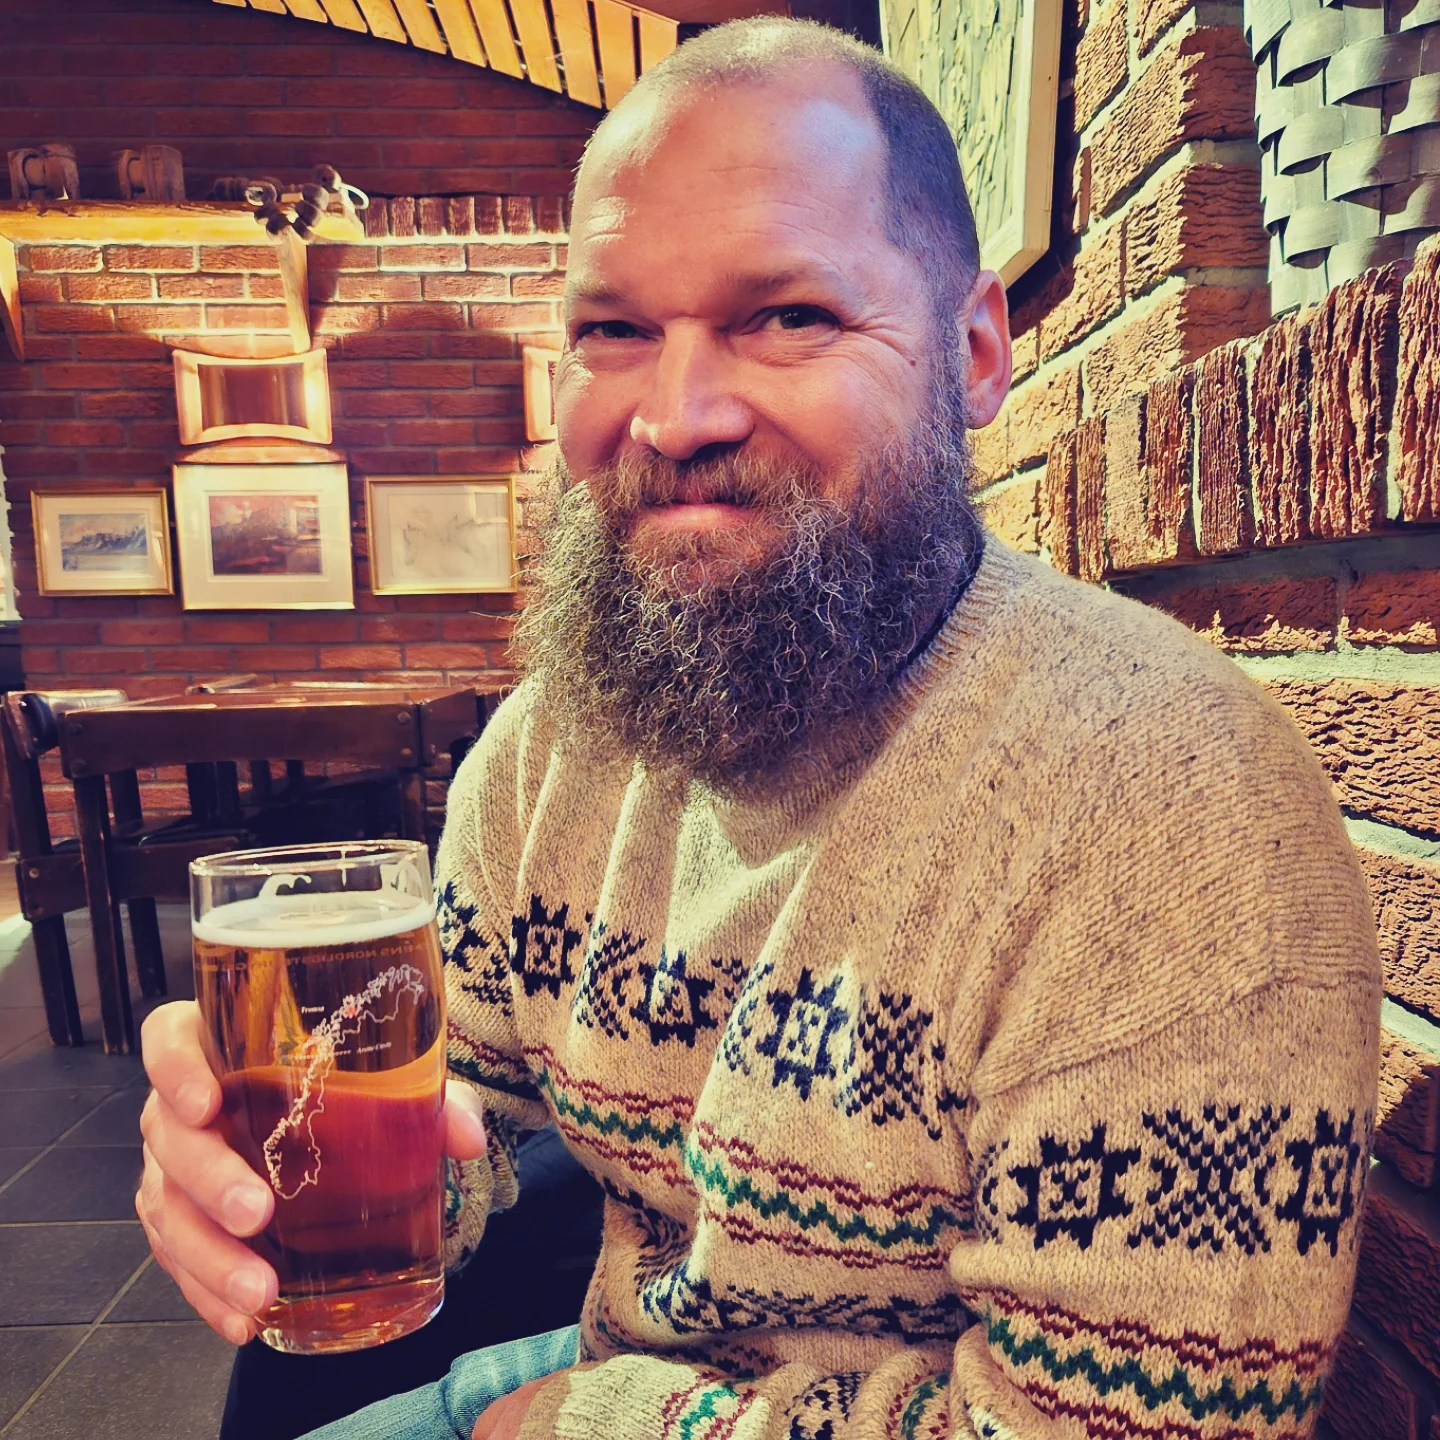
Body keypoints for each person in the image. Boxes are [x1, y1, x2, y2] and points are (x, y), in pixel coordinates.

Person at [137, 17, 1383, 1440]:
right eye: (613, 332)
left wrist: (582, 1421)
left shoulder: (1170, 819)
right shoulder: (563, 738)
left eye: (784, 315)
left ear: (975, 357)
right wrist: (294, 1170)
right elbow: (466, 1127)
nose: (673, 415)